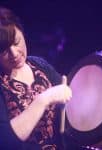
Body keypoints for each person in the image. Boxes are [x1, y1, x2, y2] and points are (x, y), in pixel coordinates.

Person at [0, 6, 72, 150]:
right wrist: (43, 100)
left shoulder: (39, 65)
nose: (14, 54)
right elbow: (5, 141)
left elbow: (70, 103)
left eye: (16, 42)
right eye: (3, 50)